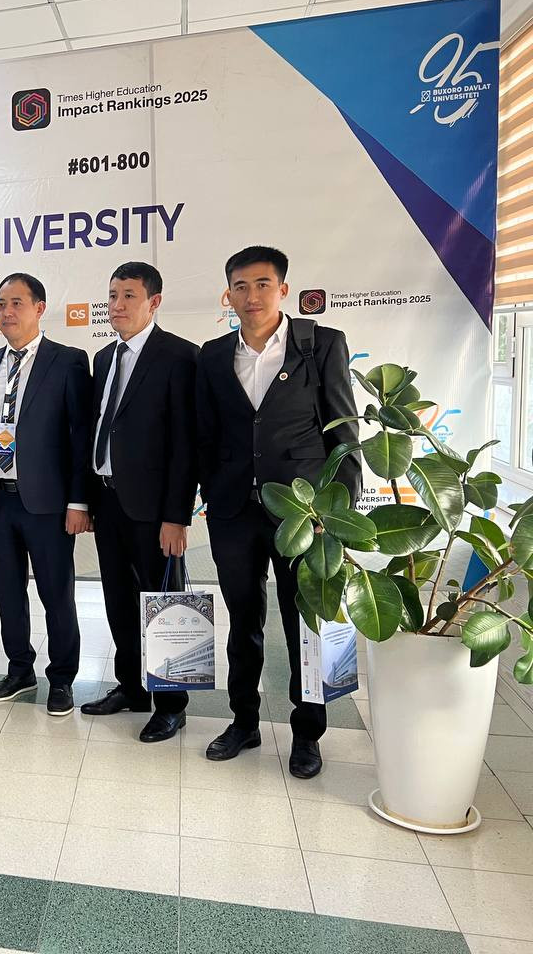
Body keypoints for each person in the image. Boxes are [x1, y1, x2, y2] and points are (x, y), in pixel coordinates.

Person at [196, 245, 360, 779]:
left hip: (303, 515)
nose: (252, 296)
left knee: (303, 624)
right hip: (233, 512)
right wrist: (204, 495)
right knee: (243, 620)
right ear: (228, 295)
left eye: (263, 284)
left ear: (283, 290)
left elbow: (343, 433)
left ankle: (307, 733)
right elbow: (204, 435)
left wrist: (338, 513)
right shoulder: (213, 355)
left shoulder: (320, 344)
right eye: (240, 286)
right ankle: (243, 721)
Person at [79, 262, 199, 743]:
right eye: (112, 295)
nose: (117, 305)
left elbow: (185, 445)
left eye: (129, 295)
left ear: (154, 302)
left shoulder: (179, 356)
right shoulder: (104, 357)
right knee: (118, 602)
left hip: (155, 511)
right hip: (108, 501)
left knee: (163, 604)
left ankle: (171, 703)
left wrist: (176, 516)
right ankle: (131, 687)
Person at [0, 273, 92, 716]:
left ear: (39, 308)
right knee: (8, 592)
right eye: (1, 304)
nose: (6, 312)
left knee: (57, 594)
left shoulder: (68, 361)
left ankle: (63, 678)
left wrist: (79, 501)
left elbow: (80, 436)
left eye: (16, 303)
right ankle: (19, 669)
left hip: (48, 505)